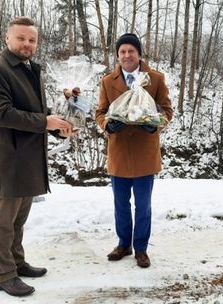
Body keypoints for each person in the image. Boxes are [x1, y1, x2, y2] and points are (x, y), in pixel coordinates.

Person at [0, 17, 76, 297]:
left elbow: (38, 112)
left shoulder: (32, 70)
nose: (27, 44)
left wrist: (60, 128)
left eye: (32, 40)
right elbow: (3, 114)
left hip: (30, 157)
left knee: (18, 220)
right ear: (7, 39)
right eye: (21, 38)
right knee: (3, 221)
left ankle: (17, 262)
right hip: (9, 157)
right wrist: (46, 123)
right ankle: (3, 274)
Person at [95, 33, 173, 268]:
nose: (127, 55)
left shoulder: (156, 79)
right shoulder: (108, 81)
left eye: (131, 51)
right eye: (122, 52)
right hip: (118, 152)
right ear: (118, 56)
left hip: (144, 153)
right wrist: (108, 124)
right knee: (120, 204)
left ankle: (141, 248)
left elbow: (167, 110)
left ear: (139, 54)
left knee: (143, 205)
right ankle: (123, 244)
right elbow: (100, 112)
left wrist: (156, 124)